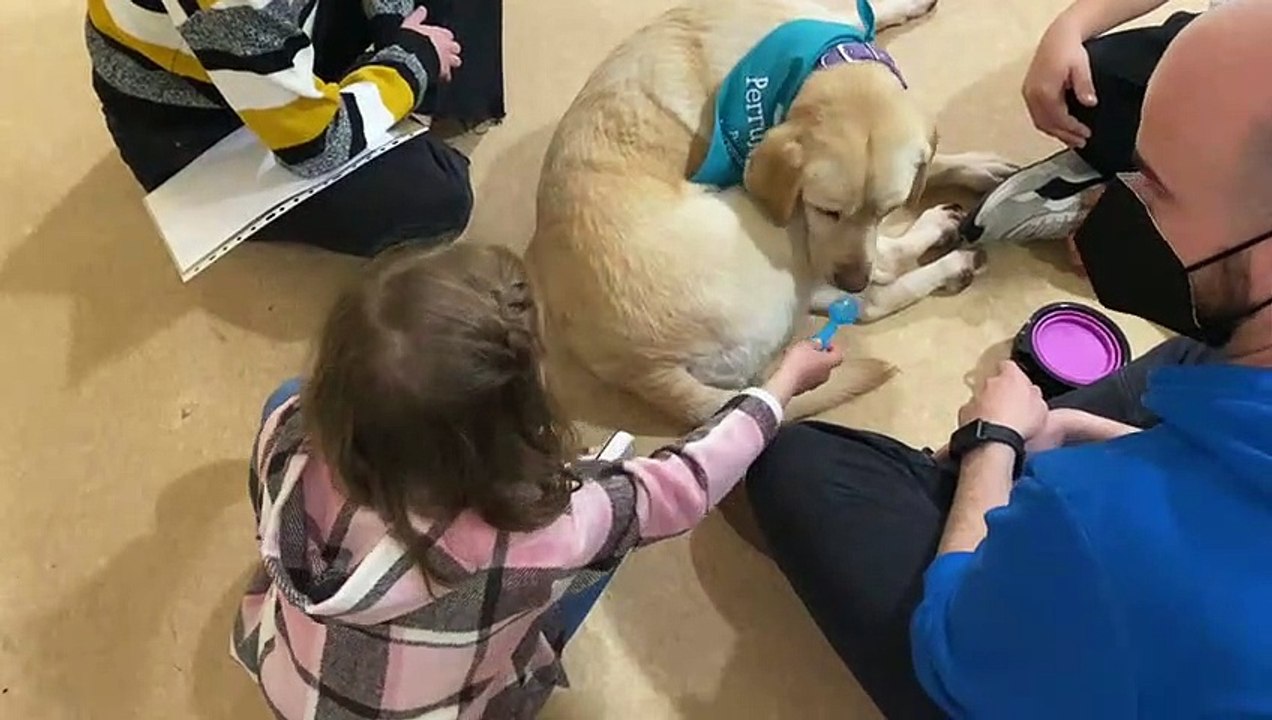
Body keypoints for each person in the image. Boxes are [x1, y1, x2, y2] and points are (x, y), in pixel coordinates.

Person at [746, 1, 1272, 717]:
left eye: (1151, 185)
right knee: (1181, 363)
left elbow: (952, 644)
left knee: (801, 463)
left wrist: (993, 448)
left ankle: (968, 490)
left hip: (1011, 642)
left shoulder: (1108, 530)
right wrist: (1081, 433)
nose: (1108, 204)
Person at [232, 242, 843, 719]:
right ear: (513, 423)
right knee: (611, 531)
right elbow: (683, 486)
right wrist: (779, 386)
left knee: (283, 393)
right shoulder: (536, 537)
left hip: (292, 688)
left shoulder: (287, 432)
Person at [86, 0, 505, 257]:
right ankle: (418, 95)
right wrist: (412, 63)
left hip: (271, 43)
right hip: (191, 125)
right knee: (439, 195)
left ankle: (408, 88)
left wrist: (394, 26)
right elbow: (316, 144)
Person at [961, 0, 1231, 254]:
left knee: (1199, 270)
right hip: (1219, 48)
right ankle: (1140, 177)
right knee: (1080, 84)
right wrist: (1069, 28)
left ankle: (1145, 189)